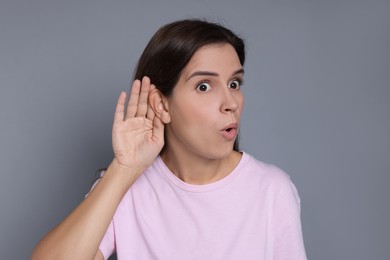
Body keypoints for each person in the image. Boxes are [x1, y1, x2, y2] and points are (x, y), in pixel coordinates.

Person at [31, 19, 307, 260]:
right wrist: (124, 170)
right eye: (204, 86)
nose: (230, 103)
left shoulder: (272, 190)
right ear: (161, 105)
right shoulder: (126, 190)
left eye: (234, 84)